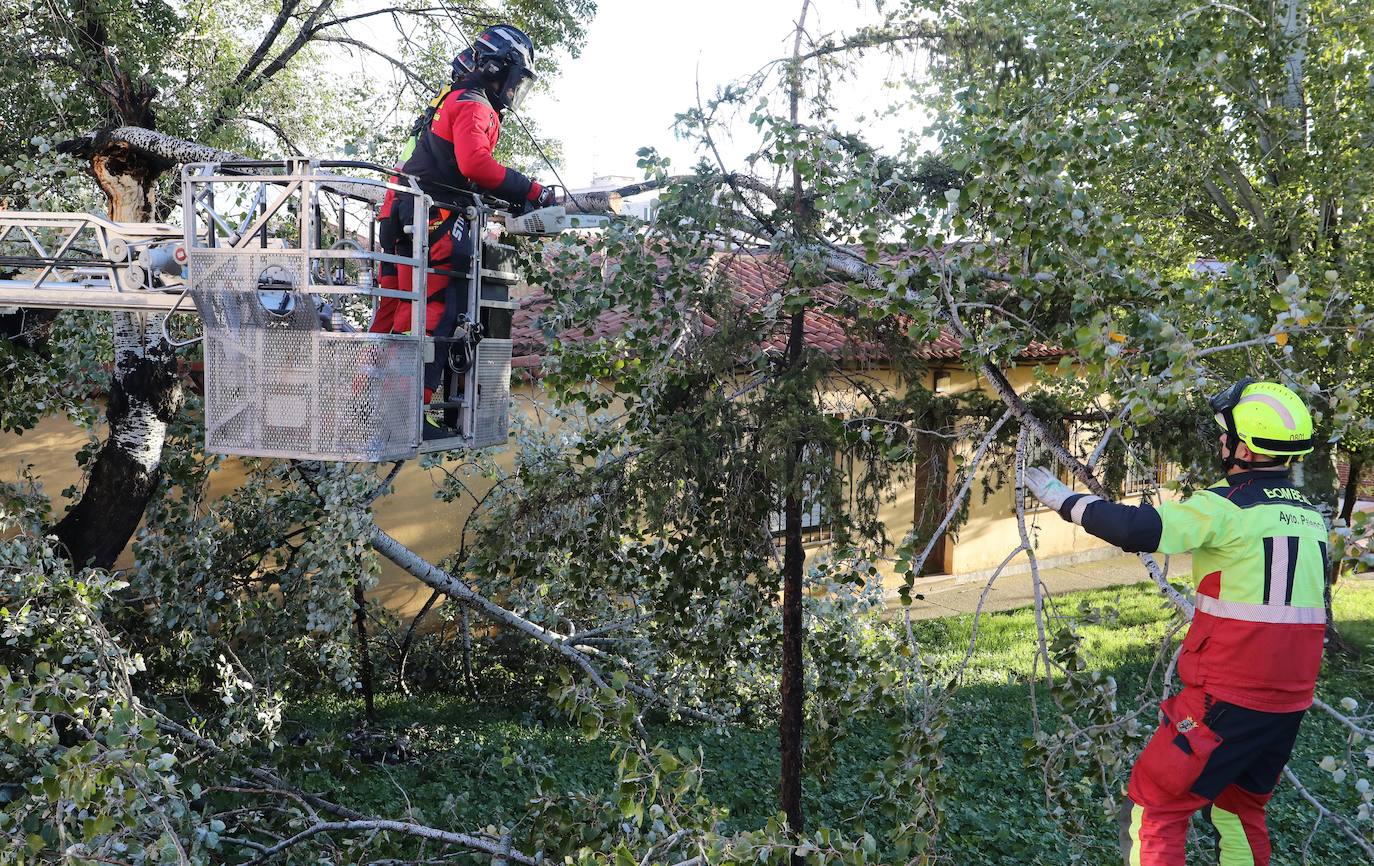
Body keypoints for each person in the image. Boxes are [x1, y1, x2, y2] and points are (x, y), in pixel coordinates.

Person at [1024, 379, 1326, 866]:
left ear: (1244, 447)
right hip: (1289, 701)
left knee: (1153, 807)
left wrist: (1066, 500)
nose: (1221, 442)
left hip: (1225, 694)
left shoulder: (1226, 505)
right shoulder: (1310, 515)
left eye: (1225, 434)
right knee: (1239, 810)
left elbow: (1139, 530)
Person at [378, 24, 556, 422]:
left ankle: (373, 402)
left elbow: (454, 167)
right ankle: (407, 411)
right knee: (436, 309)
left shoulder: (451, 99)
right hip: (433, 216)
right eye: (515, 80)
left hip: (401, 211)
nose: (513, 91)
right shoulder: (474, 103)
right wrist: (531, 191)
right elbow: (474, 164)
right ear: (498, 68)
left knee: (394, 312)